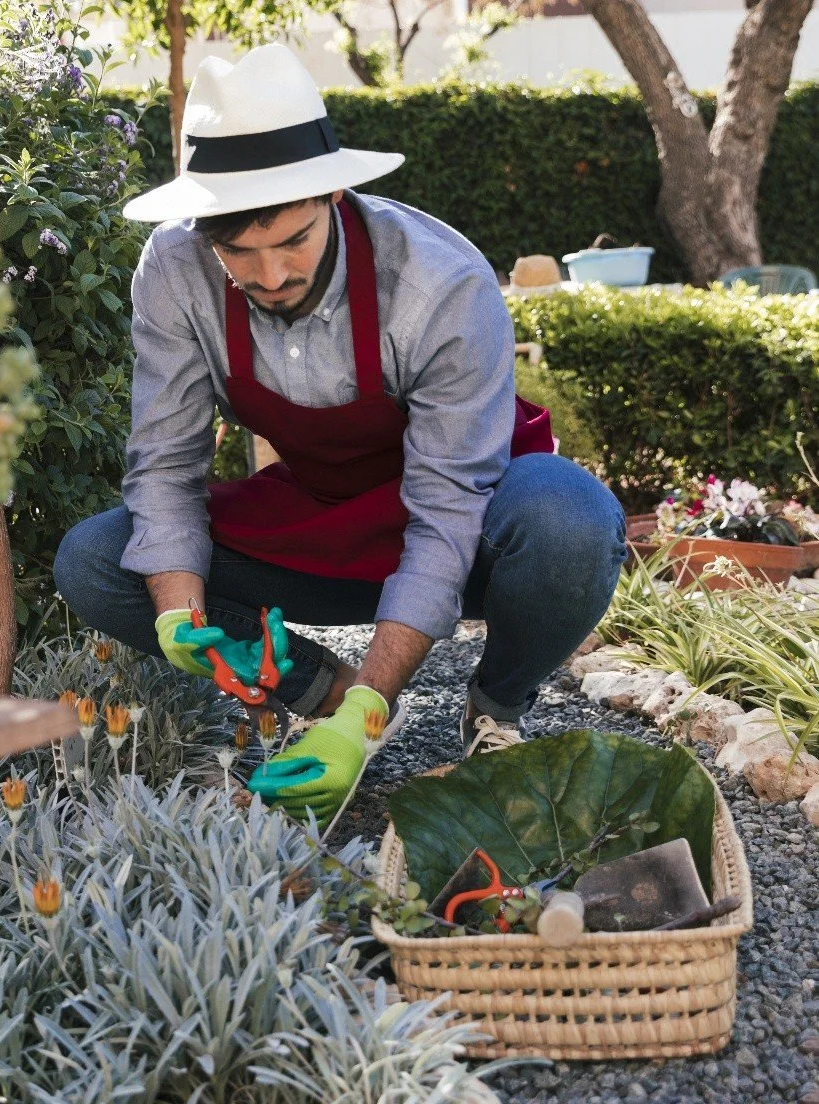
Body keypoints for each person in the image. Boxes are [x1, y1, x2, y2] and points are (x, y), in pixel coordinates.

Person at [53, 43, 626, 831]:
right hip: (321, 517)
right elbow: (166, 463)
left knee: (572, 519)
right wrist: (181, 614)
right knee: (97, 559)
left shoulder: (439, 284)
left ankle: (494, 708)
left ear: (332, 193)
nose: (271, 274)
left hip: (472, 524)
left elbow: (449, 506)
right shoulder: (176, 267)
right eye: (239, 253)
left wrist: (373, 708)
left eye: (292, 240)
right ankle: (322, 692)